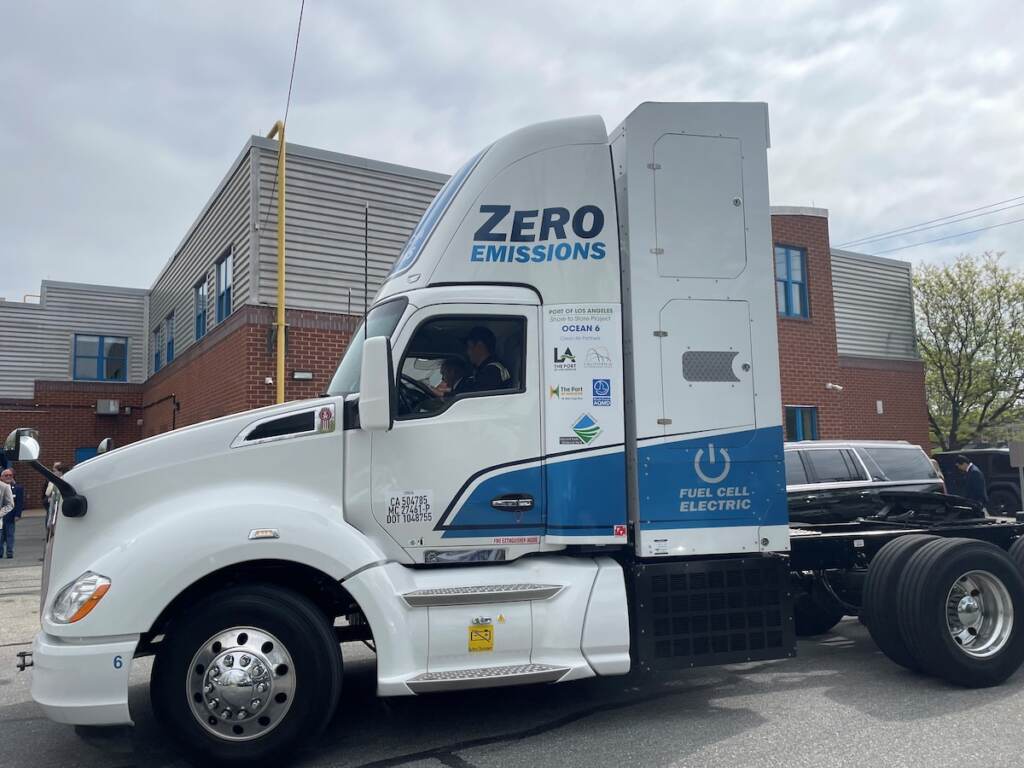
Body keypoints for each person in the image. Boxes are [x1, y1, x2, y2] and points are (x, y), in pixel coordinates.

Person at [463, 326, 511, 393]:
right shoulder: (483, 370)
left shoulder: (492, 372)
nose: (467, 352)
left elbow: (477, 400)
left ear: (479, 346)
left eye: (469, 347)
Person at [0, 468, 23, 559]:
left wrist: (18, 514)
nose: (8, 477)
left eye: (10, 475)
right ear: (1, 477)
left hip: (10, 516)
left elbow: (20, 503)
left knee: (10, 535)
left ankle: (9, 552)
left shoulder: (18, 488)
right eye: (6, 475)